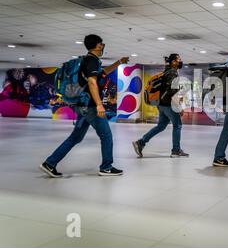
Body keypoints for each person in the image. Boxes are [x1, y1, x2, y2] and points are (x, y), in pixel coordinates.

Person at [40, 34, 129, 177]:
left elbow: (103, 73)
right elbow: (92, 82)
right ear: (98, 45)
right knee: (106, 135)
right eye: (101, 44)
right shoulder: (92, 61)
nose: (103, 47)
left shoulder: (87, 61)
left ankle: (50, 163)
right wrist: (99, 105)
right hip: (91, 107)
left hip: (82, 106)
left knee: (75, 137)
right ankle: (106, 167)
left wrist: (119, 62)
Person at [132, 54, 189, 158]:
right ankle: (176, 151)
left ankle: (141, 142)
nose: (180, 61)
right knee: (177, 126)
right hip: (169, 105)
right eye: (178, 59)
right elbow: (172, 92)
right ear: (173, 62)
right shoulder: (172, 73)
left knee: (161, 126)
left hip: (161, 105)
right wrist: (179, 107)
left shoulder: (166, 72)